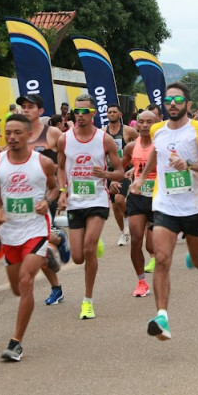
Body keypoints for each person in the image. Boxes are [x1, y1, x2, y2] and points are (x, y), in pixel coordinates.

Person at [129, 82, 198, 340]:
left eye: (178, 100)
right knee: (162, 257)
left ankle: (194, 249)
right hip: (165, 203)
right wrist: (142, 177)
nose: (173, 104)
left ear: (188, 105)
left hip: (195, 205)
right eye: (169, 101)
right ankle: (162, 317)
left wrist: (188, 164)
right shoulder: (157, 130)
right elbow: (156, 154)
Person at [0, 114, 59, 361]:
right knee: (17, 288)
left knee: (27, 282)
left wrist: (46, 201)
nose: (12, 137)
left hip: (35, 229)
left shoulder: (43, 163)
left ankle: (16, 342)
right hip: (10, 232)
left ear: (29, 135)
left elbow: (54, 187)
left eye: (18, 132)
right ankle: (49, 254)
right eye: (9, 132)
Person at [57, 93, 124, 320]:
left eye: (85, 111)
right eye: (77, 111)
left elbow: (120, 172)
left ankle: (87, 301)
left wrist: (106, 175)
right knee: (77, 257)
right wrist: (63, 192)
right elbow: (59, 168)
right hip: (75, 201)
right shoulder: (64, 139)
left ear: (93, 113)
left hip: (97, 199)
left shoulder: (104, 139)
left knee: (88, 249)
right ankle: (91, 242)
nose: (80, 115)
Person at [17, 93, 69, 306]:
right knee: (34, 245)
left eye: (30, 106)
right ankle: (57, 240)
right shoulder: (17, 133)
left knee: (35, 245)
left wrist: (63, 190)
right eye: (23, 107)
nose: (25, 110)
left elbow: (66, 163)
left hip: (47, 194)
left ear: (40, 110)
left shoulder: (53, 133)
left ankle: (54, 241)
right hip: (21, 195)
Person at [120, 110, 158, 297]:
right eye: (141, 122)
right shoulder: (131, 147)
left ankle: (161, 274)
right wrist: (121, 175)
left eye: (149, 122)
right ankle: (141, 281)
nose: (144, 125)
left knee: (153, 245)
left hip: (158, 198)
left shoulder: (162, 146)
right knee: (136, 240)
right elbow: (121, 165)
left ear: (157, 123)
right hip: (137, 195)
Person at [103, 104, 137, 246]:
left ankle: (128, 218)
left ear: (120, 114)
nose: (111, 114)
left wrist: (136, 165)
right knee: (115, 206)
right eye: (109, 112)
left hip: (123, 169)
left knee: (119, 199)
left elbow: (140, 144)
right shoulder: (102, 132)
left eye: (114, 112)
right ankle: (123, 232)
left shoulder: (128, 131)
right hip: (109, 171)